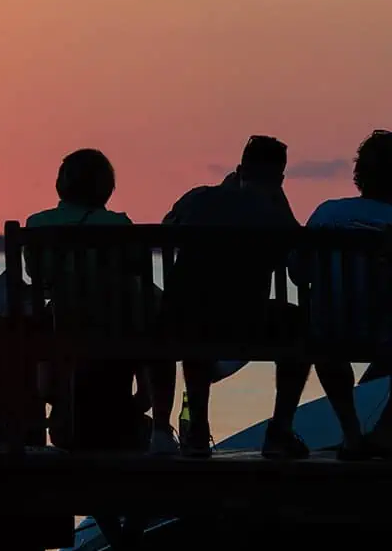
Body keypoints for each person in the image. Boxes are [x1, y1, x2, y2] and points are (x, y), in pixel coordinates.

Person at [150, 135, 311, 459]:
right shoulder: (273, 215)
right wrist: (280, 205)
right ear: (279, 179)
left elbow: (167, 231)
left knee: (194, 315)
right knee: (300, 324)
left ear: (239, 169)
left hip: (182, 320)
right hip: (246, 323)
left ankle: (195, 428)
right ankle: (280, 431)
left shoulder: (197, 199)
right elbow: (301, 264)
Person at [24, 148, 152, 453]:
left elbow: (37, 277)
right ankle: (148, 412)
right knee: (144, 316)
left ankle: (49, 401)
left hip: (60, 324)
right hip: (116, 326)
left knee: (39, 321)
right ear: (106, 188)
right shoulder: (120, 225)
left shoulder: (38, 224)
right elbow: (137, 268)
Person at [299, 130, 392, 459]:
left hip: (329, 329)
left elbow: (299, 272)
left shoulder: (327, 214)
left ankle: (352, 433)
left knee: (326, 345)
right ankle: (384, 432)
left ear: (359, 175)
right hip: (383, 332)